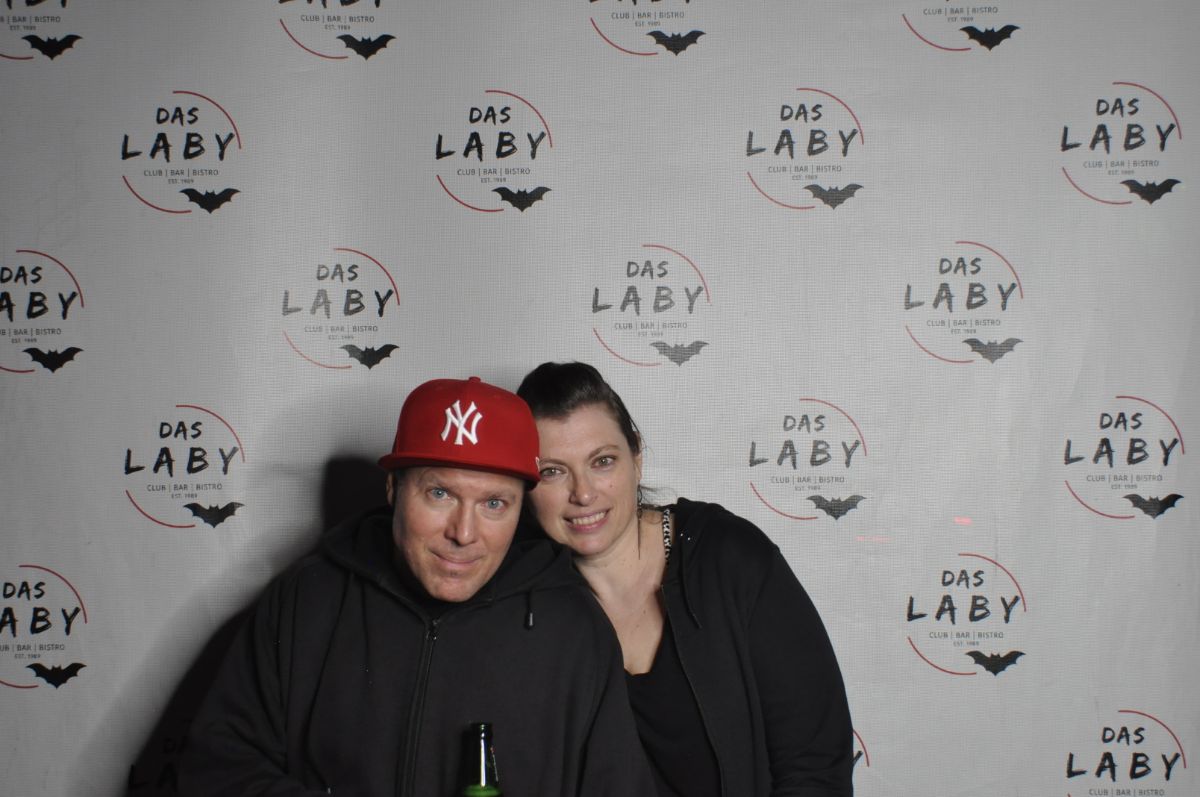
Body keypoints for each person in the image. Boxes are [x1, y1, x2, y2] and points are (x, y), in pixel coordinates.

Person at [180, 376, 656, 797]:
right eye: (440, 493)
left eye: (494, 504)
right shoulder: (307, 599)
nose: (464, 534)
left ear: (521, 509)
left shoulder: (572, 627)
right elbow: (215, 769)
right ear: (393, 488)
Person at [516, 362, 854, 797]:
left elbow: (815, 765)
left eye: (602, 461)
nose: (583, 493)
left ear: (636, 457)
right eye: (553, 471)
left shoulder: (728, 559)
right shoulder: (522, 599)